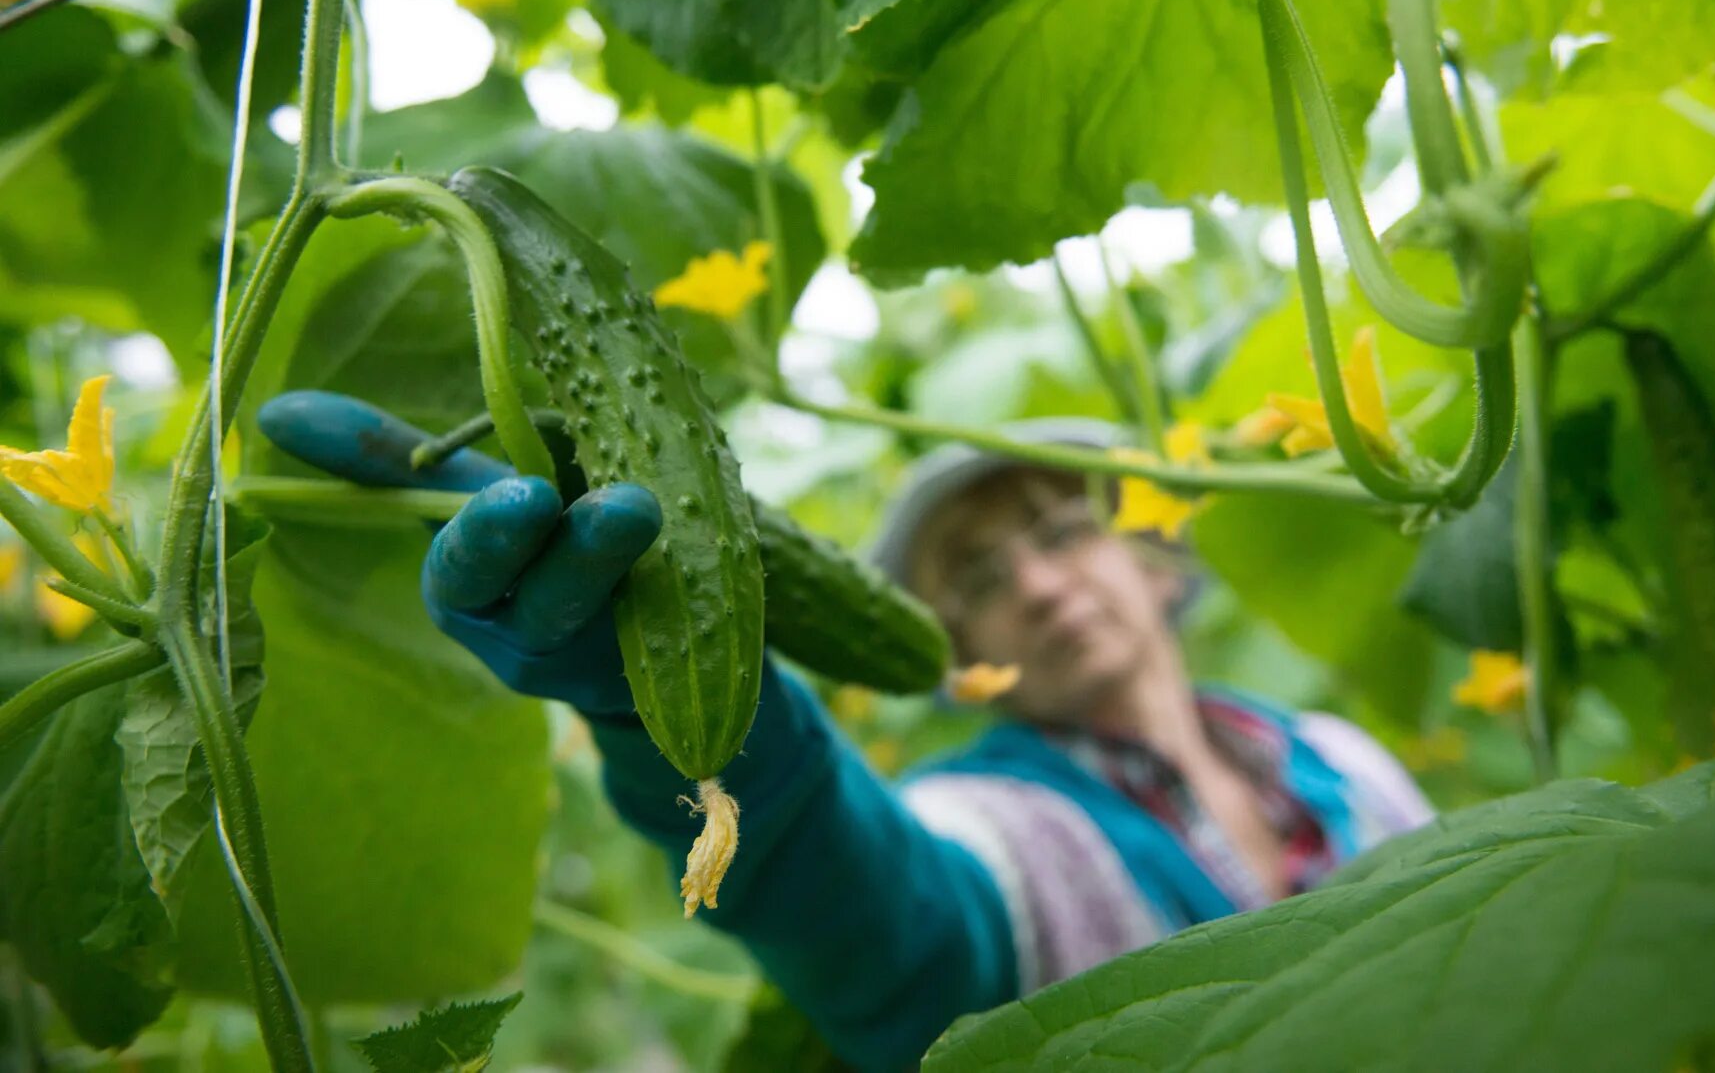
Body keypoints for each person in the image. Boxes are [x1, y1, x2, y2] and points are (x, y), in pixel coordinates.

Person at [258, 394, 1432, 1072]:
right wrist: (676, 696)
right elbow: (874, 910)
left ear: (1143, 550)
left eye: (1062, 525)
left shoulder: (1344, 758)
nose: (1034, 580)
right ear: (949, 643)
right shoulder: (995, 825)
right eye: (974, 571)